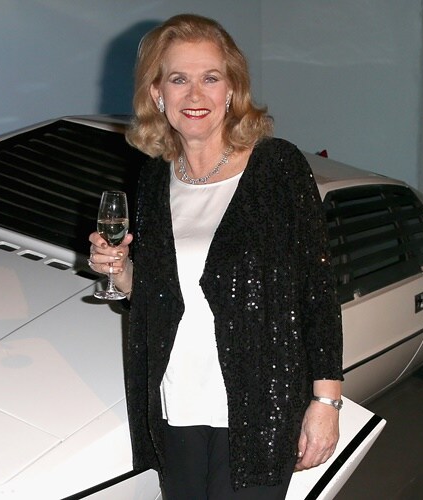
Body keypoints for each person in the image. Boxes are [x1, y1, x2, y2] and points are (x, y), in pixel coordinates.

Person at [88, 13, 343, 499]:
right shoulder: (155, 178)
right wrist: (121, 272)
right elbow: (160, 296)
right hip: (177, 398)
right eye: (178, 79)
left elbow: (317, 291)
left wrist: (325, 402)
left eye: (211, 77)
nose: (195, 94)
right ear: (157, 94)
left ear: (232, 89)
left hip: (258, 405)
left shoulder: (278, 167)